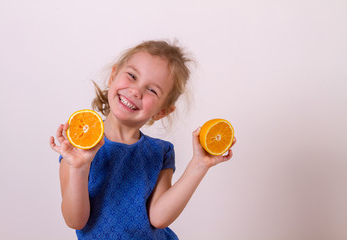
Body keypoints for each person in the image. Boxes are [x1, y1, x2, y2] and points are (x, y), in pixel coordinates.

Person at [50, 40, 236, 240]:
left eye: (152, 90)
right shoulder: (78, 146)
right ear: (113, 76)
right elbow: (75, 221)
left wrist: (199, 164)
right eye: (132, 76)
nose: (136, 91)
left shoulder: (161, 151)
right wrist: (79, 167)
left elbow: (158, 218)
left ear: (162, 111)